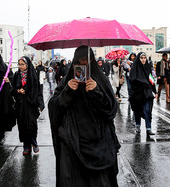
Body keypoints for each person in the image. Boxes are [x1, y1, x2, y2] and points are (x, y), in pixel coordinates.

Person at [48, 45, 120, 187]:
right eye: (80, 60)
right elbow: (54, 107)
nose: (83, 64)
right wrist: (67, 91)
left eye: (87, 60)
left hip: (98, 142)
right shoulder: (67, 80)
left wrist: (97, 91)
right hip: (72, 142)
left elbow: (111, 110)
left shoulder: (101, 79)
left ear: (92, 60)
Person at [11, 56, 44, 155]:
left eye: (22, 64)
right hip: (20, 105)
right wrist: (18, 91)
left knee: (31, 125)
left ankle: (34, 142)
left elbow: (38, 91)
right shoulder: (17, 75)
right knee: (23, 125)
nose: (20, 66)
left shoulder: (33, 75)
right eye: (19, 64)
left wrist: (40, 104)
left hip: (31, 104)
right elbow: (12, 90)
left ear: (27, 64)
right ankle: (26, 146)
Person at [129, 52, 158, 135]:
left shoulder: (147, 67)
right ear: (139, 59)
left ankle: (148, 128)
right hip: (137, 92)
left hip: (146, 92)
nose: (143, 60)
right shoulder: (135, 68)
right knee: (137, 110)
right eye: (142, 58)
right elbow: (132, 79)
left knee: (147, 110)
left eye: (145, 58)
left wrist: (155, 91)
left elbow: (151, 79)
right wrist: (141, 82)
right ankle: (138, 126)